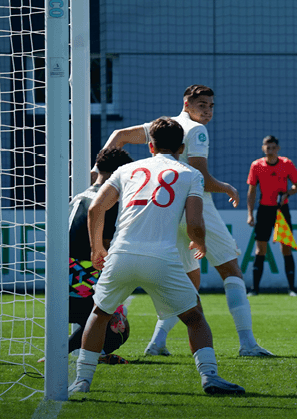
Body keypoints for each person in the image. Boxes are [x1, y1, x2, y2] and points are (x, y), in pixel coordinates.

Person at [70, 117, 245, 395]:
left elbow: (96, 209)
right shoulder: (190, 174)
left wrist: (96, 248)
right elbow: (195, 224)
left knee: (100, 314)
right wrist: (199, 243)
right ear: (182, 146)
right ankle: (210, 376)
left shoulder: (126, 170)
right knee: (195, 316)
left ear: (150, 146)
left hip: (121, 254)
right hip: (161, 259)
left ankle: (81, 381)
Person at [96, 85, 273, 358]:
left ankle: (156, 343)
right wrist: (227, 187)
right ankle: (248, 343)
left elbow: (119, 136)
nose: (208, 110)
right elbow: (201, 177)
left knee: (189, 283)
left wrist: (99, 174)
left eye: (212, 106)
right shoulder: (196, 130)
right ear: (186, 103)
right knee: (232, 271)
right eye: (202, 104)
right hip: (195, 208)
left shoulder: (161, 126)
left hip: (166, 211)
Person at [66, 148, 135, 364]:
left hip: (61, 279)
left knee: (105, 315)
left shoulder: (79, 196)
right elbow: (103, 247)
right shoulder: (107, 201)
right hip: (82, 279)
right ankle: (69, 353)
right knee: (119, 327)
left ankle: (66, 350)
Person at [247, 135, 297, 296]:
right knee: (260, 249)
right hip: (264, 210)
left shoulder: (286, 164)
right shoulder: (256, 165)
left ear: (278, 148)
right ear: (263, 148)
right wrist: (250, 214)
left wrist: (287, 193)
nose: (270, 150)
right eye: (267, 147)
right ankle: (254, 289)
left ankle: (292, 289)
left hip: (281, 211)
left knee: (286, 247)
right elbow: (251, 192)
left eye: (273, 147)